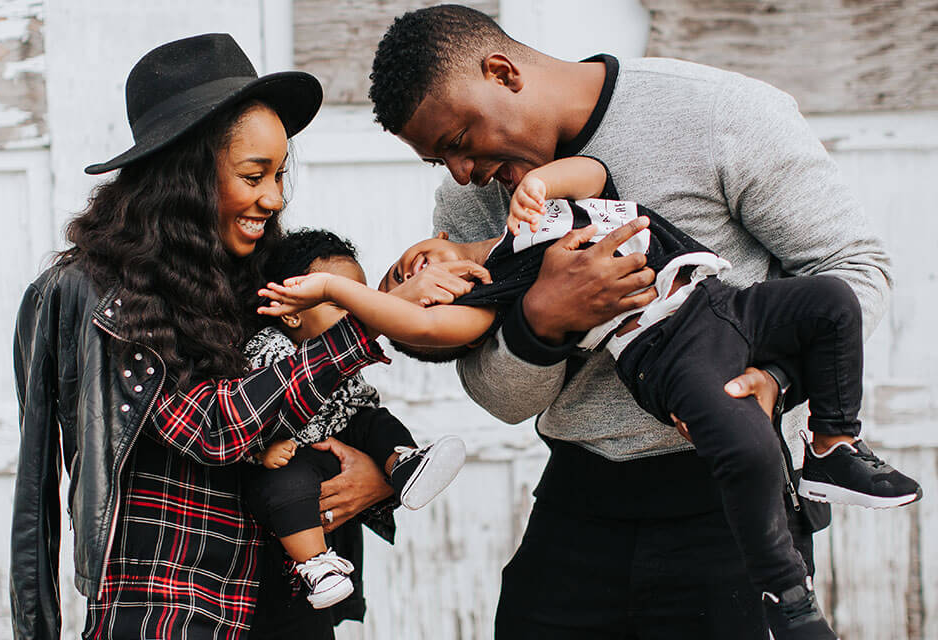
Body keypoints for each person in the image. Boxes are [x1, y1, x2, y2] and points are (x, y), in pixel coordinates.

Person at [366, 5, 894, 639]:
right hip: (577, 505)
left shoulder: (717, 113)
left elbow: (853, 271)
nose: (460, 172)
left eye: (457, 142)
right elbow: (500, 398)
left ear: (502, 73)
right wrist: (542, 322)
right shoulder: (471, 197)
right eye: (438, 161)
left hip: (728, 505)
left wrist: (776, 378)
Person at [260, 155, 920, 639]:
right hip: (673, 352)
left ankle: (835, 442)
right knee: (744, 446)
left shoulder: (523, 213)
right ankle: (791, 600)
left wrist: (540, 183)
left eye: (399, 269)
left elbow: (597, 173)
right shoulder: (497, 298)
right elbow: (424, 326)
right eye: (413, 292)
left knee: (832, 303)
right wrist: (349, 298)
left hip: (722, 300)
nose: (413, 275)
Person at [11, 34, 393, 640]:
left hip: (286, 607)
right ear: (187, 172)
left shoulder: (262, 271)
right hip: (173, 608)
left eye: (279, 174)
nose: (273, 197)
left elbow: (336, 409)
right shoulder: (104, 294)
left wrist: (379, 476)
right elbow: (214, 429)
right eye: (253, 174)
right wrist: (367, 323)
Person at [240, 228, 466, 610]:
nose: (356, 311)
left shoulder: (341, 361)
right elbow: (245, 414)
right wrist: (261, 449)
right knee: (287, 482)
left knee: (375, 420)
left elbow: (359, 404)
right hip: (292, 456)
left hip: (335, 446)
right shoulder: (270, 351)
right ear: (292, 313)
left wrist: (378, 460)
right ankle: (316, 564)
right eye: (336, 301)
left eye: (359, 298)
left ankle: (404, 463)